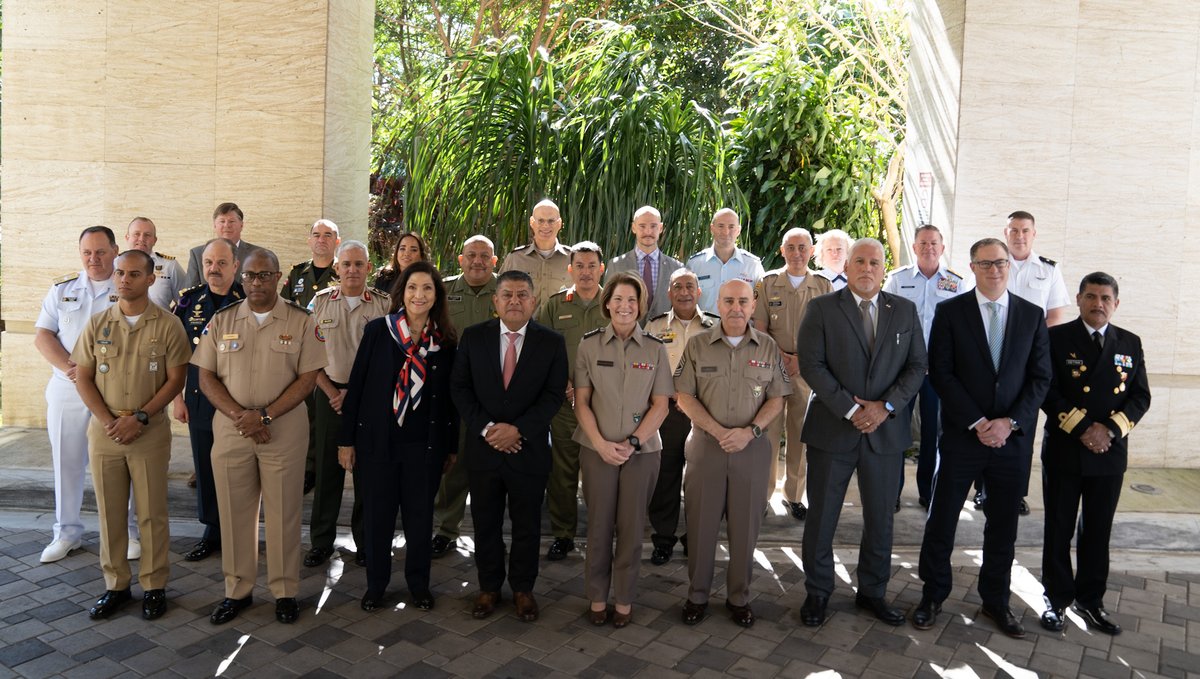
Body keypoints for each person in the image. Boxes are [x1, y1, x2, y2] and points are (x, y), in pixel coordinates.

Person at [913, 238, 1051, 639]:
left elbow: (1041, 377)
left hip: (1012, 441)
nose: (995, 270)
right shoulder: (950, 311)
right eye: (986, 263)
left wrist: (1009, 423)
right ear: (971, 267)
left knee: (1003, 524)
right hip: (962, 436)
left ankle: (996, 599)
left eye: (1001, 263)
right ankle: (933, 594)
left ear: (1010, 267)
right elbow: (941, 372)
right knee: (942, 519)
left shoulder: (1031, 315)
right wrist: (977, 421)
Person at [796, 238, 927, 628]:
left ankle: (873, 592)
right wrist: (852, 409)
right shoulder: (821, 308)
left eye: (874, 262)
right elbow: (812, 365)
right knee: (821, 518)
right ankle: (818, 592)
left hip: (885, 434)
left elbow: (917, 366)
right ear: (847, 267)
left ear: (884, 269)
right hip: (832, 432)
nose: (867, 268)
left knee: (881, 519)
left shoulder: (903, 310)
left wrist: (884, 408)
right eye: (859, 261)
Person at [192, 248, 326, 626]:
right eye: (250, 276)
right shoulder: (221, 320)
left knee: (284, 512)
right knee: (235, 514)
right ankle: (237, 590)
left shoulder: (301, 320)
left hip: (282, 429)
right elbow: (206, 376)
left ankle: (285, 591)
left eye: (264, 275)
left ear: (279, 278)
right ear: (242, 279)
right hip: (233, 430)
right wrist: (241, 416)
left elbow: (308, 378)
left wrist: (264, 415)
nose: (256, 282)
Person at [72, 250, 190, 620]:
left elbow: (176, 379)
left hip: (149, 430)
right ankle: (116, 586)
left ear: (151, 278)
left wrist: (139, 416)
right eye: (120, 273)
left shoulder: (168, 325)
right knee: (109, 512)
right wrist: (109, 419)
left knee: (152, 511)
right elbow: (84, 377)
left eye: (134, 274)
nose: (124, 279)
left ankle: (154, 585)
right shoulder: (98, 324)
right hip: (106, 431)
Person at [337, 261, 457, 611]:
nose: (419, 295)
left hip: (425, 447)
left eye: (427, 289)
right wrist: (347, 441)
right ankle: (376, 585)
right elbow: (356, 387)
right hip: (378, 444)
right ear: (401, 293)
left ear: (437, 296)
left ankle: (419, 585)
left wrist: (451, 446)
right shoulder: (379, 330)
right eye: (412, 288)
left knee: (420, 519)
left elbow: (451, 400)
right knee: (378, 518)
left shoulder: (445, 340)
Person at [450, 270, 568, 622]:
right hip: (484, 451)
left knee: (527, 526)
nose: (514, 301)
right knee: (485, 524)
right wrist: (488, 429)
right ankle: (488, 588)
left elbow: (552, 396)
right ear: (495, 301)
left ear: (533, 301)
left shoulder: (551, 342)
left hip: (527, 450)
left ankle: (522, 589)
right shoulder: (474, 338)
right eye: (507, 295)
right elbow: (460, 389)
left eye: (522, 295)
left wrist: (518, 431)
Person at [1038, 272, 1150, 635]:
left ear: (1115, 303)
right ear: (1079, 299)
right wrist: (1085, 428)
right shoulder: (1056, 338)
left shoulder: (1130, 343)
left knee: (1098, 530)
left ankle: (1091, 600)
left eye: (1105, 298)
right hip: (1066, 450)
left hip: (1109, 453)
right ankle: (1055, 598)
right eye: (1090, 296)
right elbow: (1047, 389)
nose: (1097, 304)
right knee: (1059, 527)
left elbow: (1140, 396)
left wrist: (1111, 429)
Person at [675, 279, 791, 628]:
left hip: (752, 451)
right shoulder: (697, 346)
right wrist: (718, 431)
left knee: (745, 531)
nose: (735, 308)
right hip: (706, 449)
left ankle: (739, 597)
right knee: (700, 528)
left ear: (753, 305)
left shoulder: (768, 347)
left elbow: (777, 397)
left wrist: (750, 432)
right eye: (728, 301)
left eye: (742, 301)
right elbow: (683, 396)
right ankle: (697, 595)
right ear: (718, 303)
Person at [574, 272, 673, 627]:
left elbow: (661, 405)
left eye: (632, 300)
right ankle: (597, 597)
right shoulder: (588, 345)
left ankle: (625, 599)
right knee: (598, 527)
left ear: (641, 306)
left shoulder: (656, 348)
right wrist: (601, 444)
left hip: (642, 453)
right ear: (607, 303)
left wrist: (631, 444)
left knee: (631, 529)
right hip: (596, 450)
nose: (625, 306)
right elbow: (581, 403)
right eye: (618, 299)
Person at [34, 226, 137, 563]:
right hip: (68, 387)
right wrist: (71, 369)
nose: (94, 259)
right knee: (67, 460)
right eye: (87, 253)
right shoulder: (63, 288)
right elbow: (44, 335)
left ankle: (129, 532)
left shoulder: (127, 288)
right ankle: (66, 533)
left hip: (114, 390)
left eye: (101, 252)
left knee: (123, 462)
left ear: (115, 250)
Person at [303, 240, 390, 569]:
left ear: (369, 268)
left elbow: (390, 358)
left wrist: (356, 394)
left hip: (369, 398)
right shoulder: (320, 303)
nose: (352, 270)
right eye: (346, 264)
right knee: (326, 471)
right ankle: (321, 541)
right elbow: (307, 356)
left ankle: (365, 540)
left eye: (359, 264)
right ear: (336, 268)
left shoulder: (384, 305)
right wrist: (332, 392)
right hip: (329, 396)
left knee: (368, 472)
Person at [882, 224, 972, 508]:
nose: (929, 248)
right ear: (914, 247)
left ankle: (928, 491)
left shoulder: (957, 283)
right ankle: (891, 492)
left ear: (942, 248)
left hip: (938, 370)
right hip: (903, 367)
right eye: (923, 243)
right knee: (896, 429)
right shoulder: (897, 280)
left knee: (934, 432)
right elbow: (884, 321)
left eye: (934, 243)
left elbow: (964, 326)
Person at [172, 238, 244, 562]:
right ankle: (211, 531)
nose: (214, 269)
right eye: (209, 263)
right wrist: (177, 399)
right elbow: (174, 356)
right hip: (199, 401)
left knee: (237, 470)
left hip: (238, 403)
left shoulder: (249, 302)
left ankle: (236, 531)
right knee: (205, 468)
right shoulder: (189, 303)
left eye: (221, 263)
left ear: (235, 266)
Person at [751, 227, 832, 517]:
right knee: (768, 434)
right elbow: (759, 328)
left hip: (807, 370)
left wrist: (800, 359)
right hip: (772, 368)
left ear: (811, 252)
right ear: (782, 251)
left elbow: (828, 332)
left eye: (803, 247)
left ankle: (795, 496)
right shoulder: (768, 282)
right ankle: (763, 494)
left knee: (800, 433)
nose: (797, 253)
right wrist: (782, 357)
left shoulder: (823, 285)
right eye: (791, 247)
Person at [536, 241, 608, 560]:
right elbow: (541, 350)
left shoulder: (614, 302)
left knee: (601, 473)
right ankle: (563, 534)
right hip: (565, 406)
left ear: (601, 268)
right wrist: (565, 386)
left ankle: (600, 533)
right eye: (579, 266)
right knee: (562, 472)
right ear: (570, 269)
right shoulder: (555, 305)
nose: (586, 272)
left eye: (592, 265)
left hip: (606, 407)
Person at [644, 269, 719, 565]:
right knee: (666, 477)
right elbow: (646, 364)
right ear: (669, 293)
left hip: (703, 412)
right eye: (678, 286)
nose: (685, 291)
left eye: (690, 286)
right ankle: (663, 538)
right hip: (667, 412)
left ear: (699, 292)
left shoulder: (715, 326)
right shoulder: (655, 325)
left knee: (701, 479)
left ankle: (695, 538)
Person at [431, 235, 500, 558]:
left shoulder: (507, 292)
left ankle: (493, 532)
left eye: (485, 256)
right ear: (460, 259)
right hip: (454, 394)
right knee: (453, 464)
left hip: (496, 396)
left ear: (495, 261)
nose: (478, 261)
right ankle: (446, 528)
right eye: (471, 255)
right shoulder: (442, 292)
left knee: (494, 467)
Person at [282, 219, 342, 495]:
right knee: (301, 414)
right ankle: (303, 468)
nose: (321, 239)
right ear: (309, 241)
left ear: (337, 241)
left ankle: (318, 469)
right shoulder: (297, 274)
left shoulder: (343, 272)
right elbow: (283, 311)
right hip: (297, 357)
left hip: (330, 357)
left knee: (322, 416)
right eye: (316, 235)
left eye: (328, 235)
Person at [603, 206, 683, 319]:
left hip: (664, 334)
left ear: (660, 228)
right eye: (642, 226)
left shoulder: (676, 267)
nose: (648, 231)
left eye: (653, 226)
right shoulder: (616, 265)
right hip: (626, 335)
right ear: (633, 228)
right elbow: (608, 306)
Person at [685, 208, 765, 314]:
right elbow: (686, 302)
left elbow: (762, 302)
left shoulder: (752, 265)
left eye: (731, 227)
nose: (726, 232)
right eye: (721, 226)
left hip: (741, 329)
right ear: (712, 228)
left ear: (738, 230)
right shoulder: (695, 264)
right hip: (705, 329)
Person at [499, 199, 573, 309]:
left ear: (559, 223)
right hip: (525, 326)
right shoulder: (515, 259)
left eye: (551, 221)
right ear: (532, 223)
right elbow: (500, 295)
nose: (546, 225)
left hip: (561, 326)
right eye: (541, 221)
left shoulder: (573, 259)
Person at [1004, 210, 1071, 326]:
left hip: (1036, 341)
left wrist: (1033, 339)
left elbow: (1056, 317)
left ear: (1034, 234)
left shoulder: (1050, 270)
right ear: (1006, 233)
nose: (1019, 236)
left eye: (1025, 231)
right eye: (1014, 230)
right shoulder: (989, 267)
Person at [184, 203, 260, 288]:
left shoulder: (257, 255)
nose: (227, 225)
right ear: (215, 225)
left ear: (241, 225)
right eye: (222, 221)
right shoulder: (197, 254)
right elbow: (190, 295)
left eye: (231, 221)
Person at [124, 217, 185, 310]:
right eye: (136, 234)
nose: (141, 239)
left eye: (147, 235)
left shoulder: (170, 266)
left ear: (154, 240)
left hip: (160, 324)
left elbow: (185, 301)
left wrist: (172, 319)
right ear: (127, 238)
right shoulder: (114, 265)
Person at [373, 230, 429, 295]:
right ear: (397, 252)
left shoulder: (428, 281)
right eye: (402, 248)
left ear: (421, 255)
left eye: (413, 250)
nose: (407, 253)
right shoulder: (384, 278)